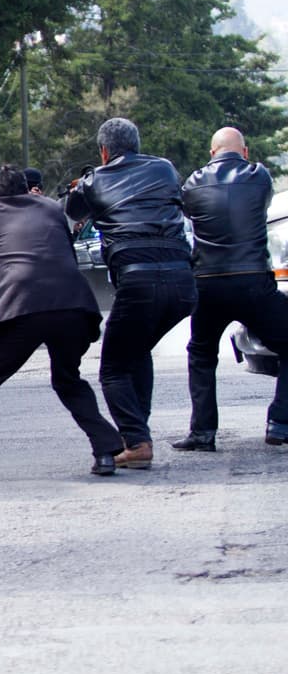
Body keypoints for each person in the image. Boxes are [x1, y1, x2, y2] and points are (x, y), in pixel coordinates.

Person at [0, 165, 122, 482]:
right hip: (71, 303)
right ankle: (106, 449)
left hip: (20, 306)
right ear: (26, 188)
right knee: (68, 380)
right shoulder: (51, 208)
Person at [64, 117, 196, 469]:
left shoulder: (94, 180)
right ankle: (137, 433)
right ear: (137, 145)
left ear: (104, 151)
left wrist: (81, 184)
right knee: (136, 351)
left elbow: (73, 212)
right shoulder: (165, 168)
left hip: (138, 280)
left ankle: (136, 443)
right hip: (183, 283)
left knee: (113, 368)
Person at [176, 126, 288, 450]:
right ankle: (280, 422)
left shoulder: (192, 184)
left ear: (212, 154)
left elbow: (188, 213)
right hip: (253, 282)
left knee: (201, 354)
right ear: (245, 152)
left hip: (207, 284)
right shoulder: (259, 177)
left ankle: (202, 433)